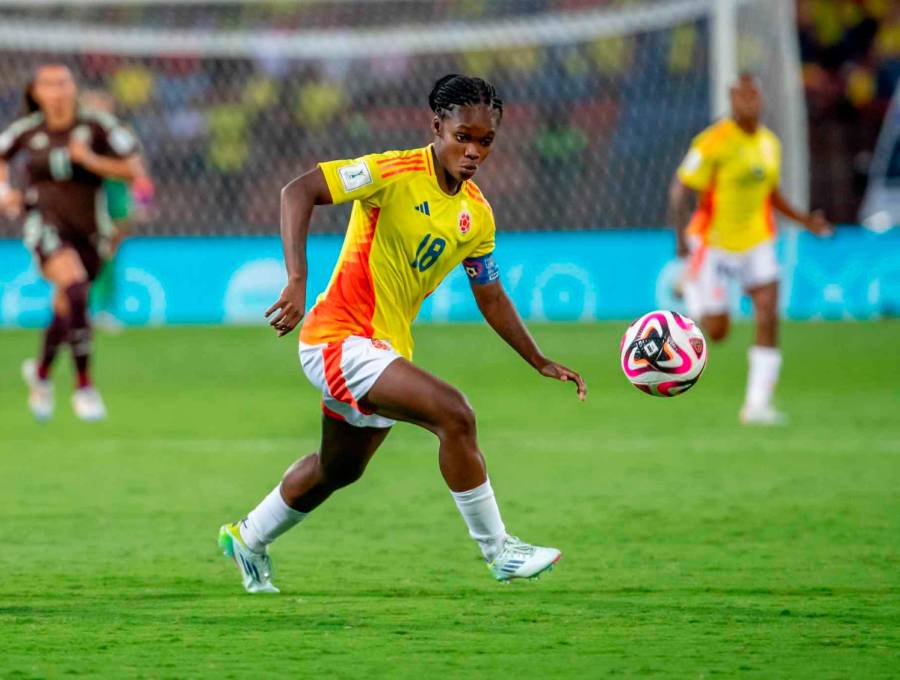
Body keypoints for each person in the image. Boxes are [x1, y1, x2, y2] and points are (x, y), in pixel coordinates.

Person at [218, 74, 587, 594]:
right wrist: (297, 280)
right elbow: (297, 191)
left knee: (338, 469)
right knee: (455, 414)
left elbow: (491, 296)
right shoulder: (392, 171)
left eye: (486, 140)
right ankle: (499, 550)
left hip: (382, 348)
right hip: (338, 337)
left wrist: (538, 358)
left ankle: (248, 538)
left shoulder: (476, 215)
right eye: (463, 135)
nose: (474, 149)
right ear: (437, 126)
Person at [669, 73, 832, 426]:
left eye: (754, 95)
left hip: (757, 240)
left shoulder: (770, 144)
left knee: (768, 313)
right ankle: (690, 282)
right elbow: (680, 189)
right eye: (742, 96)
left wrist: (805, 221)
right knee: (716, 331)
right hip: (713, 242)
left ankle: (757, 405)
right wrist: (681, 241)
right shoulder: (712, 142)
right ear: (731, 98)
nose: (749, 102)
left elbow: (771, 195)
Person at [0, 64, 144, 421]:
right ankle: (84, 386)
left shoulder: (97, 126)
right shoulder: (25, 130)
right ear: (36, 92)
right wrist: (5, 193)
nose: (58, 91)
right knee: (76, 287)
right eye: (49, 85)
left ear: (73, 87)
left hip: (90, 230)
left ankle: (42, 373)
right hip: (44, 224)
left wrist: (90, 160)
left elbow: (133, 169)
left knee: (67, 305)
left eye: (63, 83)